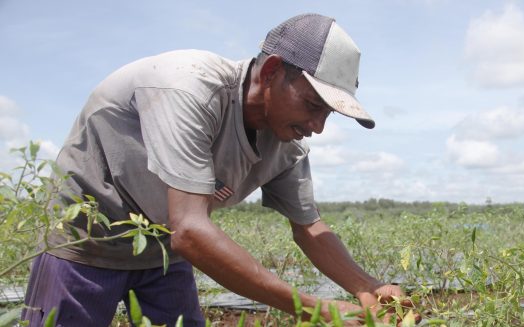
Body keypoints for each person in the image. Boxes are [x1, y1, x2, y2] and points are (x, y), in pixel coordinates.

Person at [21, 13, 404, 326]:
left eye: (328, 113)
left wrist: (371, 287)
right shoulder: (189, 88)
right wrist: (316, 308)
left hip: (161, 248)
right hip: (84, 243)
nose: (318, 126)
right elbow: (189, 230)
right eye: (312, 104)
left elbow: (310, 228)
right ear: (270, 71)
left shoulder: (286, 143)